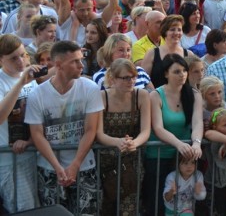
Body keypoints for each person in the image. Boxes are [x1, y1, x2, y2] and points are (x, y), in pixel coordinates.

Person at [25, 41, 104, 214]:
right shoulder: (36, 95)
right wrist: (57, 167)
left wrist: (75, 164)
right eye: (74, 61)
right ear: (59, 65)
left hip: (84, 166)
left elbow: (90, 129)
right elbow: (37, 135)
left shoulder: (90, 88)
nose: (81, 65)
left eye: (81, 60)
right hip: (48, 168)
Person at [144, 54, 204, 216]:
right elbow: (158, 128)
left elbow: (198, 122)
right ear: (166, 74)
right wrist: (179, 143)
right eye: (177, 71)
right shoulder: (155, 95)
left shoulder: (194, 94)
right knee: (157, 203)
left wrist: (196, 143)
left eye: (184, 70)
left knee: (185, 204)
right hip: (158, 156)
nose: (182, 75)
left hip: (184, 158)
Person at [96, 58, 151, 215]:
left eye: (133, 76)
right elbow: (98, 133)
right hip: (105, 161)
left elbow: (146, 130)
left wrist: (134, 143)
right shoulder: (102, 97)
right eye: (125, 77)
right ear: (112, 78)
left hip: (132, 160)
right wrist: (117, 142)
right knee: (105, 208)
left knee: (129, 208)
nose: (131, 81)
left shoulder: (142, 95)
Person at [0, 35, 41, 212]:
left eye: (23, 55)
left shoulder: (33, 81)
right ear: (1, 60)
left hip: (33, 153)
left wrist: (31, 140)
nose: (21, 61)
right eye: (13, 58)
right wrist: (20, 83)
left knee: (40, 207)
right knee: (24, 208)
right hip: (9, 159)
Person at [140, 15, 195, 88]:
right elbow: (144, 80)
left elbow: (193, 80)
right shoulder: (152, 54)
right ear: (164, 32)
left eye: (179, 30)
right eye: (172, 30)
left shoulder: (189, 54)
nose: (176, 33)